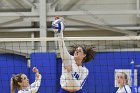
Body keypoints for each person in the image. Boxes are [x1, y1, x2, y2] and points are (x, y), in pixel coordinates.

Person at [53, 17, 95, 93]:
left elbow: (78, 86)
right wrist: (60, 32)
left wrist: (69, 73)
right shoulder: (69, 59)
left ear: (84, 55)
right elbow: (62, 47)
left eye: (79, 51)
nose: (76, 52)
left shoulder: (85, 71)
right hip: (64, 91)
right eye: (76, 50)